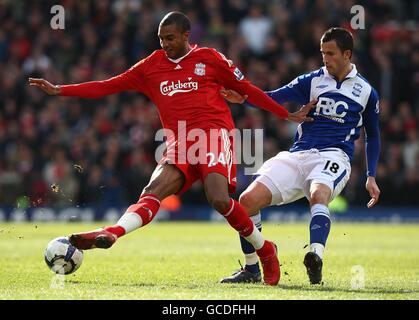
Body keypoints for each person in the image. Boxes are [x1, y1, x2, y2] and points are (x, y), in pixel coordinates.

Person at [29, 11, 313, 286]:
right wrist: (61, 90)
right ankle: (113, 232)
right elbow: (108, 85)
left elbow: (247, 89)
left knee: (218, 199)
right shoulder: (151, 66)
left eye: (170, 38)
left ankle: (265, 250)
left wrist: (284, 114)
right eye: (161, 38)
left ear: (186, 35)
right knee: (152, 192)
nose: (164, 44)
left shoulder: (210, 59)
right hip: (178, 142)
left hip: (213, 135)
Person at [219, 27, 381, 285]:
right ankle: (252, 269)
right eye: (322, 53)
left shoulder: (366, 92)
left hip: (334, 155)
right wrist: (243, 99)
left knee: (318, 195)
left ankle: (315, 256)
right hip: (298, 154)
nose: (325, 59)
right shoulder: (312, 80)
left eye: (330, 53)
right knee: (246, 200)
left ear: (347, 54)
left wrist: (371, 175)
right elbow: (274, 98)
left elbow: (373, 135)